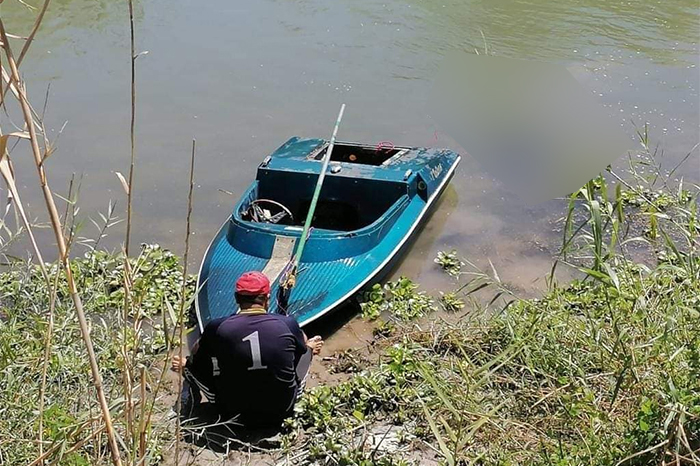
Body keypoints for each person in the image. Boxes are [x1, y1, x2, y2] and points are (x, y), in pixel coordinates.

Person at [172, 271, 323, 426]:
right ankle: (312, 347)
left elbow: (199, 358)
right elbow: (299, 349)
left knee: (192, 365)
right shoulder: (287, 323)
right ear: (267, 298)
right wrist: (306, 347)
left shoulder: (217, 327)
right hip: (282, 410)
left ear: (237, 299)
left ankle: (187, 388)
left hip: (230, 412)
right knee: (305, 351)